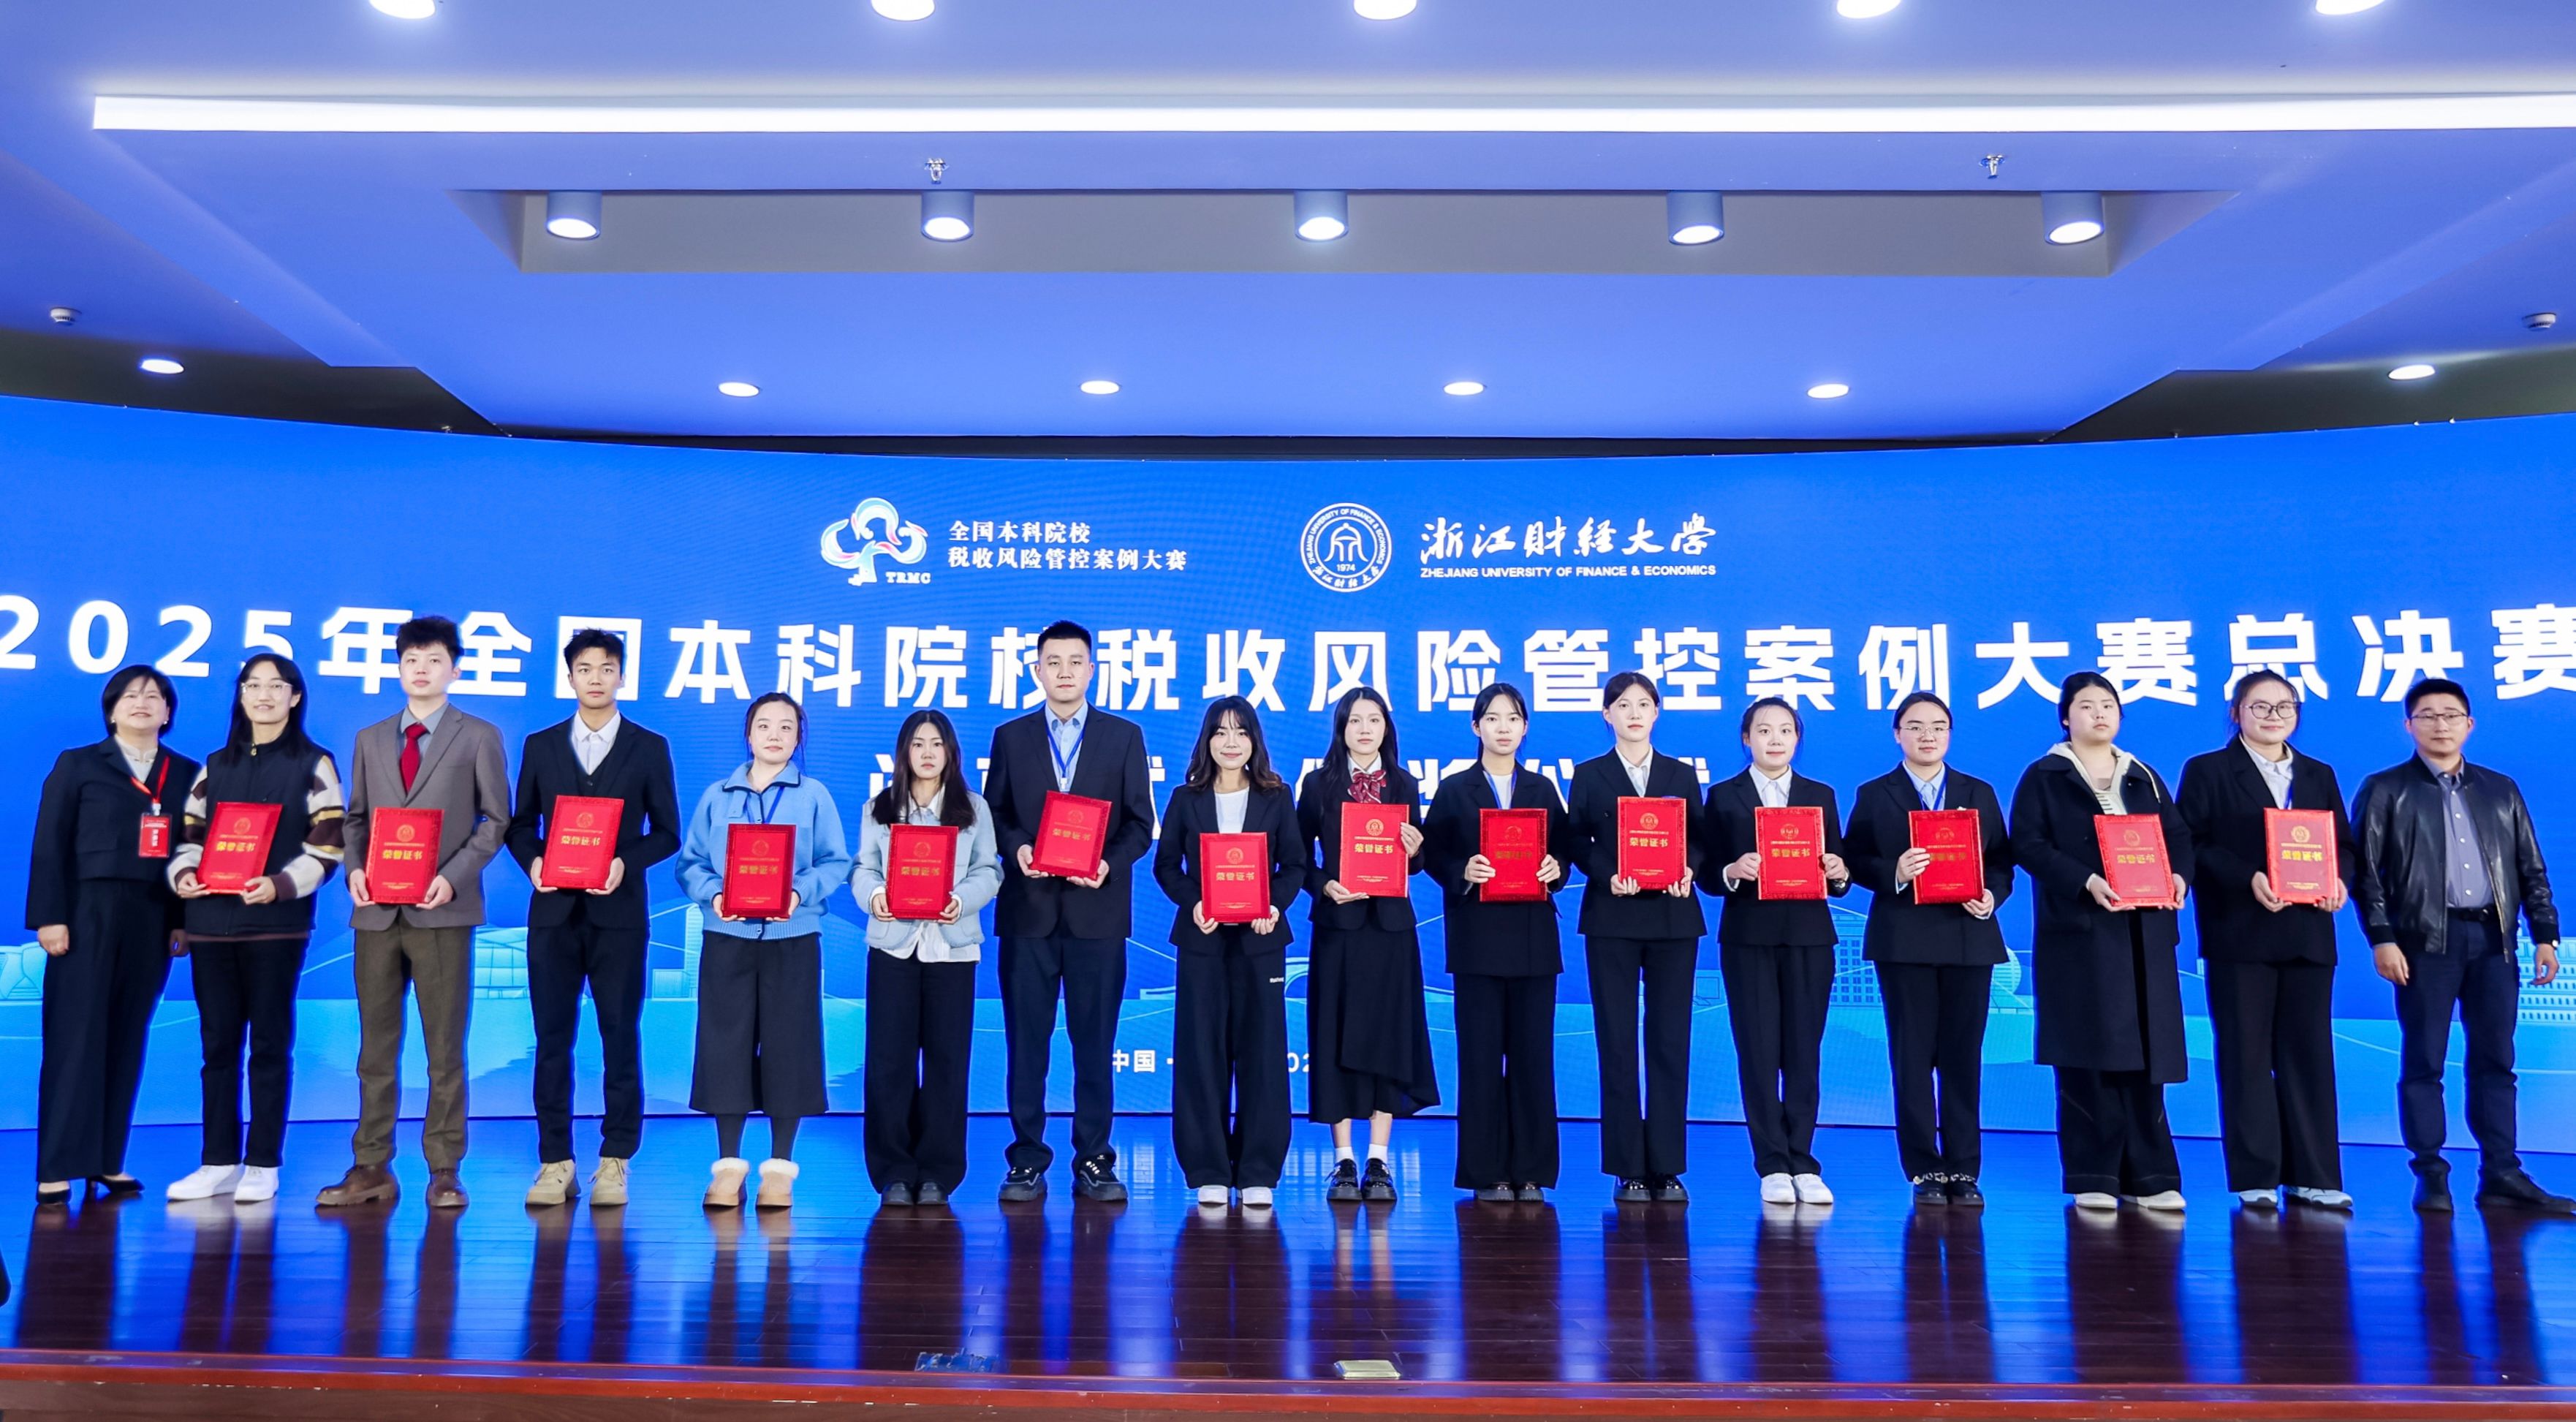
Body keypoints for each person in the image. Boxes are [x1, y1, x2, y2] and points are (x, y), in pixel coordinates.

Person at [2352, 677, 2570, 1214]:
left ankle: (2502, 1173)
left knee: (2496, 1059)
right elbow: (2365, 874)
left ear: (2469, 724)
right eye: (2427, 715)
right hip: (2424, 942)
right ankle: (2431, 1173)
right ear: (2409, 725)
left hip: (2494, 942)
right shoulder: (2385, 789)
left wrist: (2545, 935)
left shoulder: (2501, 789)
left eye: (2450, 715)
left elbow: (2531, 867)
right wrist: (2382, 938)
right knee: (2424, 1060)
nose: (2440, 724)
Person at [321, 616, 512, 1211]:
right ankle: (371, 1164)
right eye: (411, 660)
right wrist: (355, 869)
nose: (421, 669)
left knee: (444, 1049)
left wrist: (451, 878)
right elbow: (355, 818)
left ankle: (445, 1167)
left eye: (433, 660)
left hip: (442, 912)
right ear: (399, 667)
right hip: (376, 912)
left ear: (455, 668)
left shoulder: (478, 735)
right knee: (374, 1050)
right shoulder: (371, 738)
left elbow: (496, 820)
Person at [503, 628, 682, 1209]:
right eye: (585, 668)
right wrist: (534, 862)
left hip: (619, 916)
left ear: (621, 676)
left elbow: (668, 833)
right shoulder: (541, 744)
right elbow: (520, 824)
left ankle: (615, 1159)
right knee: (552, 1039)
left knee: (619, 1036)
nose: (596, 678)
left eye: (607, 668)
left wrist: (624, 862)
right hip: (553, 915)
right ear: (570, 677)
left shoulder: (648, 746)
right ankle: (555, 1160)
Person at [982, 620, 1157, 1203]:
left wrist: (1108, 862)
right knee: (1026, 1046)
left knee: (1095, 1046)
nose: (1064, 671)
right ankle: (1026, 1158)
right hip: (1028, 915)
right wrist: (1017, 848)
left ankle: (1095, 1158)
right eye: (1052, 662)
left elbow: (1141, 823)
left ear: (1091, 669)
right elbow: (995, 814)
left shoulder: (1123, 736)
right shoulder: (1011, 737)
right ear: (1036, 670)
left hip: (1097, 914)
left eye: (1075, 661)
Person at [2007, 671, 2194, 1214]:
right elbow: (2029, 844)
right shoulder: (2045, 775)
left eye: (2108, 705)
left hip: (2144, 934)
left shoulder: (2144, 775)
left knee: (2146, 1056)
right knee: (2088, 1054)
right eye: (2086, 706)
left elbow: (2177, 837)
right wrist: (2085, 880)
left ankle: (2151, 1175)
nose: (2099, 714)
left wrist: (2179, 876)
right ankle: (2094, 1172)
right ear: (2066, 717)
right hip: (2082, 934)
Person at [165, 655, 344, 1206]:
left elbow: (329, 842)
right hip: (210, 925)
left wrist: (280, 885)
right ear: (241, 695)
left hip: (275, 926)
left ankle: (263, 1162)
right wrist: (185, 875)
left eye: (276, 686)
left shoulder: (315, 763)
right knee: (217, 1047)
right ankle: (218, 1160)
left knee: (268, 1045)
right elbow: (189, 836)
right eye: (253, 685)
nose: (264, 695)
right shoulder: (214, 766)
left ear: (295, 697)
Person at [2178, 671, 2357, 1211]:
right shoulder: (2208, 770)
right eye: (2260, 706)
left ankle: (2315, 1175)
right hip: (2241, 933)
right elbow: (2191, 845)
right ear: (2237, 712)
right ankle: (2255, 1174)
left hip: (2309, 932)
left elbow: (2343, 845)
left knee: (2310, 1055)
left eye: (2284, 706)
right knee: (2246, 1055)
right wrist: (2247, 877)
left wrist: (2340, 881)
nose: (2273, 715)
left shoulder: (2318, 773)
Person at [25, 665, 197, 1204]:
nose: (142, 702)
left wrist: (182, 920)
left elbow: (190, 850)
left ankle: (106, 1160)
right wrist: (50, 916)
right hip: (86, 912)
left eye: (154, 696)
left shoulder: (186, 773)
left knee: (127, 1036)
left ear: (167, 712)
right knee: (74, 1037)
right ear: (112, 709)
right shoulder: (78, 764)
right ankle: (57, 1166)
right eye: (130, 695)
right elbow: (50, 843)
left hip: (152, 913)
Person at [677, 692, 852, 1212]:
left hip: (792, 939)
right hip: (726, 937)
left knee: (789, 1047)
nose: (775, 735)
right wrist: (714, 895)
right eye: (764, 725)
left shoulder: (814, 795)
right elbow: (690, 863)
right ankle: (728, 1166)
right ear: (748, 734)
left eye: (786, 727)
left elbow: (835, 861)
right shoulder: (718, 795)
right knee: (724, 1047)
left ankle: (779, 1168)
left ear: (799, 738)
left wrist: (798, 893)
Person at [1841, 690, 2014, 1206]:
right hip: (1904, 940)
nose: (1927, 735)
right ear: (1898, 734)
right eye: (1915, 726)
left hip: (1968, 937)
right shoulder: (1876, 793)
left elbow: (2002, 861)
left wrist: (1992, 895)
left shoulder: (1977, 791)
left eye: (1938, 726)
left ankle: (1964, 1168)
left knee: (1963, 1058)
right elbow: (1853, 859)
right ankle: (1923, 1168)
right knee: (1912, 1058)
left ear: (1950, 734)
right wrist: (1893, 871)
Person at [1423, 682, 1574, 1203]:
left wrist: (1556, 869)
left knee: (1533, 1058)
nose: (1503, 727)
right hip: (1477, 941)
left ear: (1525, 727)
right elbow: (1432, 854)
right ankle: (1486, 1171)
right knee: (1481, 1058)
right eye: (1492, 718)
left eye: (1512, 718)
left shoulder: (1542, 789)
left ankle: (1531, 1171)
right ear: (1476, 726)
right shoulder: (1454, 789)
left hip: (1533, 941)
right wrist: (1461, 870)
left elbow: (1565, 852)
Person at [1154, 696, 1304, 1210]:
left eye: (1241, 731)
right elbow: (1166, 866)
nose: (1231, 741)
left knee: (1263, 1054)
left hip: (1261, 941)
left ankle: (1259, 1168)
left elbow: (1295, 865)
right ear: (1207, 741)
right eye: (1220, 732)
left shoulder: (1277, 797)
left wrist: (1273, 905)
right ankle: (1208, 1168)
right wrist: (1194, 901)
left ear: (1255, 741)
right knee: (1201, 1052)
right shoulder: (1186, 798)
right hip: (1203, 940)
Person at [1703, 696, 1852, 1206]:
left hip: (1810, 937)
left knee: (1804, 1052)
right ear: (1746, 739)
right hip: (1749, 937)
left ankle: (1803, 1160)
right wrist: (1731, 870)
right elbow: (1706, 871)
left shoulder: (1820, 795)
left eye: (1785, 730)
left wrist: (1839, 871)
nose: (1775, 739)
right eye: (1764, 730)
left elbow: (1839, 867)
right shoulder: (1724, 796)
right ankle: (1771, 1162)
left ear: (1797, 739)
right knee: (1759, 1052)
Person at [1566, 672, 1705, 1204]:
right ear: (1607, 715)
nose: (1634, 713)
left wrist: (1689, 868)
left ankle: (1667, 1166)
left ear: (1657, 712)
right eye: (1623, 705)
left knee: (1670, 1041)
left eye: (1644, 704)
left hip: (1673, 918)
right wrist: (1608, 875)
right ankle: (1627, 1166)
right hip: (1613, 917)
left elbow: (1700, 839)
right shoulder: (1590, 774)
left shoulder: (1680, 774)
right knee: (1617, 1042)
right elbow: (1576, 839)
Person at [1296, 686, 1438, 1203]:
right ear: (1340, 728)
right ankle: (1344, 1160)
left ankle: (1378, 1158)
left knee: (1388, 1038)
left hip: (1391, 929)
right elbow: (1296, 858)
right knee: (1334, 1036)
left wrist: (1417, 850)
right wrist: (1324, 885)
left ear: (1386, 727)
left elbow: (1415, 863)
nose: (1364, 729)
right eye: (1354, 720)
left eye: (1373, 719)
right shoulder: (1318, 784)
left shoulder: (1404, 783)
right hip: (1339, 926)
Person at [854, 708, 1001, 1209]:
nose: (928, 752)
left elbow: (989, 870)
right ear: (904, 752)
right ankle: (893, 1170)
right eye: (918, 743)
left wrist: (961, 900)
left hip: (952, 948)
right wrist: (876, 896)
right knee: (889, 1061)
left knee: (946, 1061)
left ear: (951, 752)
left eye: (937, 743)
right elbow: (863, 869)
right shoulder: (879, 808)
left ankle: (939, 1170)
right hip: (893, 945)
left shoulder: (973, 809)